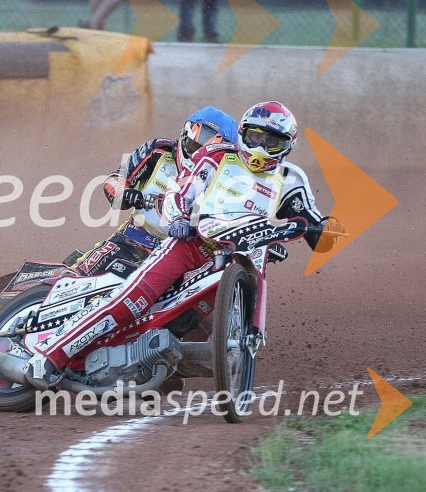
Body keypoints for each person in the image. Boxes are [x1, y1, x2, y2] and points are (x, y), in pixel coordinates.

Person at [26, 101, 344, 386]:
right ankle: (49, 346)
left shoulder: (290, 180)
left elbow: (312, 220)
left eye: (271, 141)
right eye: (255, 137)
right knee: (124, 294)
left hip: (220, 255)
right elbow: (151, 188)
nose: (260, 147)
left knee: (189, 320)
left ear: (287, 145)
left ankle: (154, 360)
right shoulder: (178, 154)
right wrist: (162, 209)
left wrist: (324, 231)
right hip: (154, 241)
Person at [86, 106, 238, 267]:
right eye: (196, 147)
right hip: (134, 240)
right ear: (184, 135)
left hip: (190, 256)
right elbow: (115, 178)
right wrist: (123, 193)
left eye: (209, 154)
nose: (198, 157)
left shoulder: (231, 179)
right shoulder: (159, 149)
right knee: (85, 271)